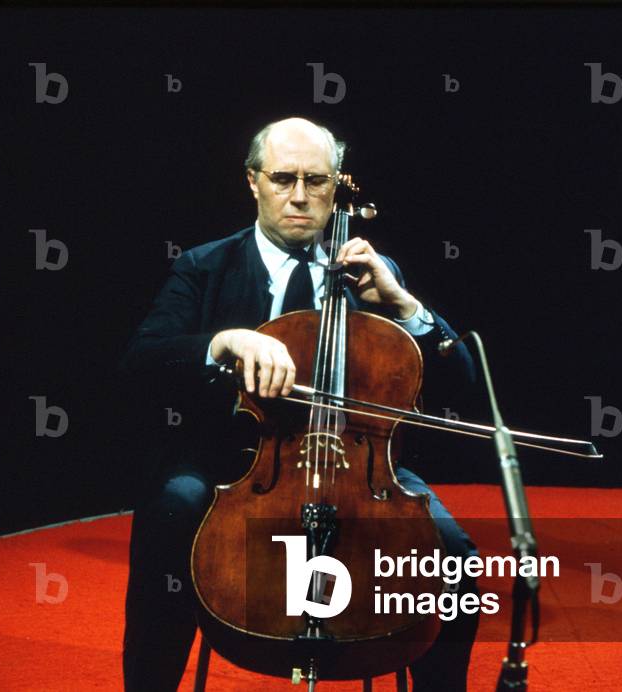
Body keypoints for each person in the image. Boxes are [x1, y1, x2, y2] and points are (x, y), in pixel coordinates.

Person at [120, 117, 479, 691]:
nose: (300, 196)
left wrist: (404, 305)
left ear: (336, 187)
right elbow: (141, 364)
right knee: (173, 508)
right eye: (283, 178)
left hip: (359, 465)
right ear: (253, 182)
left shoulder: (370, 273)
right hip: (230, 462)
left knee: (455, 556)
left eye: (316, 181)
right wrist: (225, 341)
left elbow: (458, 381)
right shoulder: (204, 266)